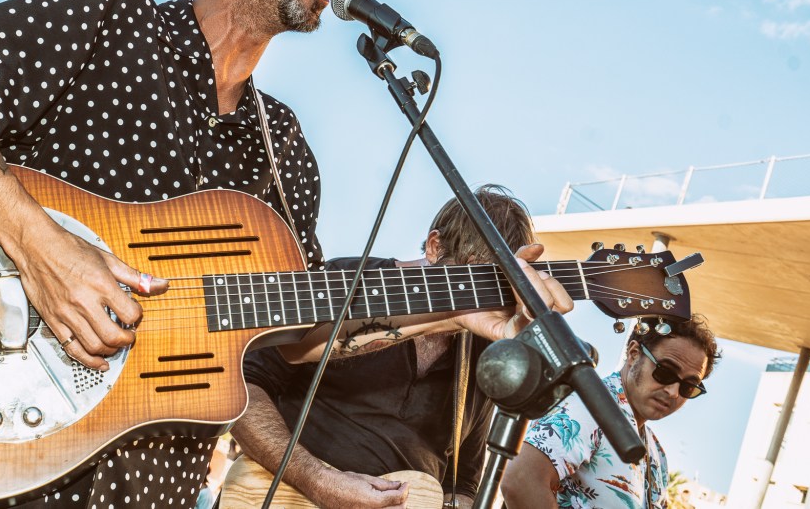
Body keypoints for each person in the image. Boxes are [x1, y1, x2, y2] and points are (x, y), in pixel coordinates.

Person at [0, 0, 570, 508]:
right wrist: (42, 249)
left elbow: (294, 337)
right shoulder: (115, 16)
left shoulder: (284, 146)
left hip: (151, 487)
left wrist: (455, 306)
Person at [232, 186, 567, 509]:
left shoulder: (485, 353)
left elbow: (463, 482)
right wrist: (318, 481)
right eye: (469, 276)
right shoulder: (349, 278)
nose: (475, 296)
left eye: (491, 285)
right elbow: (242, 386)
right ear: (435, 246)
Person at [501, 314, 720, 509]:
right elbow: (520, 480)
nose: (673, 392)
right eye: (665, 372)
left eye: (688, 386)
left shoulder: (657, 452)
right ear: (634, 354)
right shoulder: (591, 406)